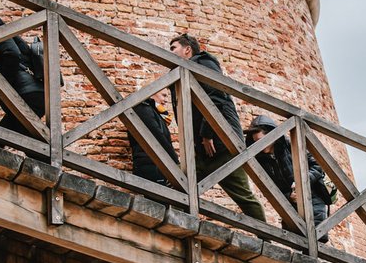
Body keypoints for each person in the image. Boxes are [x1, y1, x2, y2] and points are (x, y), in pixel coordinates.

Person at [168, 34, 265, 222]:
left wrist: (206, 134)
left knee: (244, 197)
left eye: (174, 48)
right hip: (201, 151)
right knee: (176, 185)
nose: (170, 52)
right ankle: (172, 222)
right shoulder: (181, 72)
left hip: (222, 143)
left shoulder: (203, 62)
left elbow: (217, 96)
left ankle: (267, 239)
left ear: (187, 49)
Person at [244, 114, 331, 242]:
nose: (260, 146)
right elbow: (271, 190)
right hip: (290, 205)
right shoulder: (260, 160)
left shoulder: (291, 145)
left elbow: (318, 166)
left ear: (272, 136)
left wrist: (301, 183)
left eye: (262, 141)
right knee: (296, 240)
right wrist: (289, 196)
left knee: (317, 239)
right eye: (256, 142)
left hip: (313, 198)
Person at [129, 92, 179, 186]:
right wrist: (176, 163)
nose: (166, 100)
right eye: (163, 95)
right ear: (151, 94)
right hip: (151, 164)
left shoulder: (155, 112)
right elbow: (158, 137)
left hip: (156, 164)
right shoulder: (143, 108)